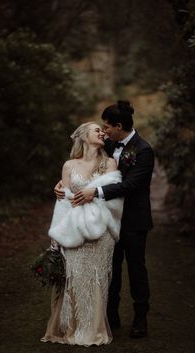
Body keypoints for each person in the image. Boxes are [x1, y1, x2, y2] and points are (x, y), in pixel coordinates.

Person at [55, 101, 154, 338]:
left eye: (107, 126)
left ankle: (141, 318)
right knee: (110, 268)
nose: (104, 131)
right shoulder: (108, 144)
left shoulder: (143, 150)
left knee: (136, 268)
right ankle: (111, 315)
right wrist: (62, 184)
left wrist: (96, 192)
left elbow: (131, 185)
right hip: (106, 219)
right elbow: (86, 167)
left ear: (119, 126)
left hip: (133, 220)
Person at [41, 122, 124, 346]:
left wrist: (92, 198)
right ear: (83, 136)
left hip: (101, 231)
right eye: (96, 129)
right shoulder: (69, 166)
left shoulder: (109, 163)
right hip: (73, 229)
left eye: (102, 130)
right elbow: (63, 201)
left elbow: (115, 199)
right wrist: (57, 232)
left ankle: (93, 330)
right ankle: (70, 328)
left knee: (96, 278)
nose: (102, 132)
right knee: (73, 276)